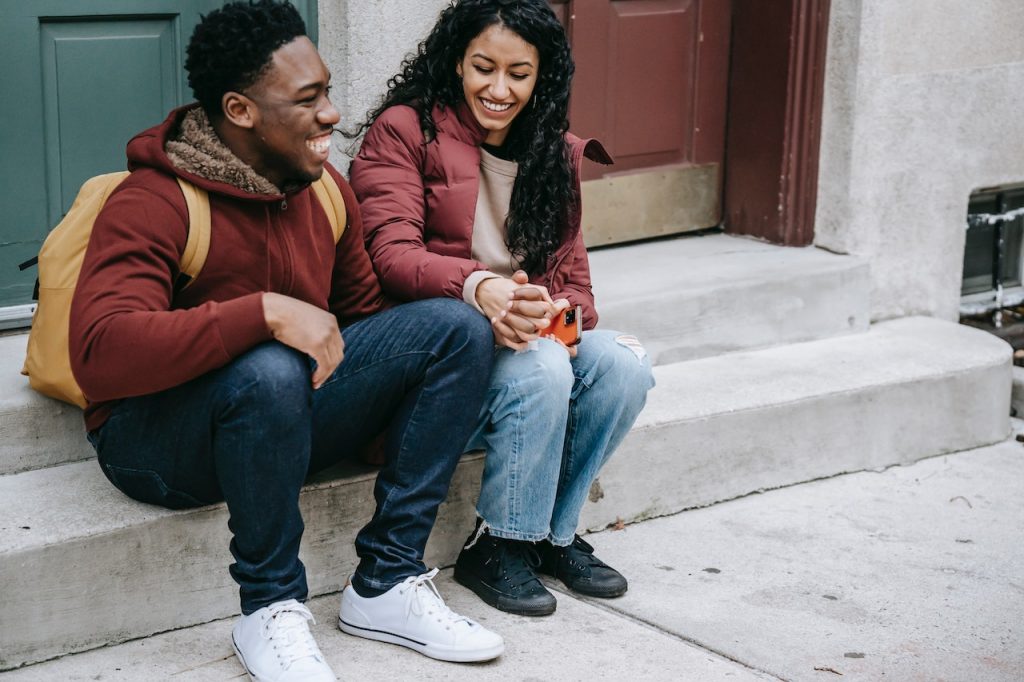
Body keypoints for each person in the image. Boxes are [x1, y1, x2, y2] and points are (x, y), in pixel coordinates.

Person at [69, 2, 505, 679]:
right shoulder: (155, 201)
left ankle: (386, 583)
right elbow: (100, 355)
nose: (332, 113)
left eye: (327, 90)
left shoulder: (326, 189)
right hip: (157, 443)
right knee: (271, 364)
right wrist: (262, 313)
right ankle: (270, 606)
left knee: (454, 325)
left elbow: (363, 326)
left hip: (277, 421)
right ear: (240, 111)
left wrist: (393, 422)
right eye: (308, 99)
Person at [349, 0, 655, 618]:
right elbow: (389, 254)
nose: (499, 88)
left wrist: (555, 312)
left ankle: (550, 536)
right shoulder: (405, 131)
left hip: (522, 340)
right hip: (440, 357)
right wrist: (479, 289)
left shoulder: (553, 151)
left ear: (542, 76)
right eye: (483, 68)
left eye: (519, 73)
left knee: (623, 366)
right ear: (456, 61)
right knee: (543, 367)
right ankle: (498, 544)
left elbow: (578, 285)